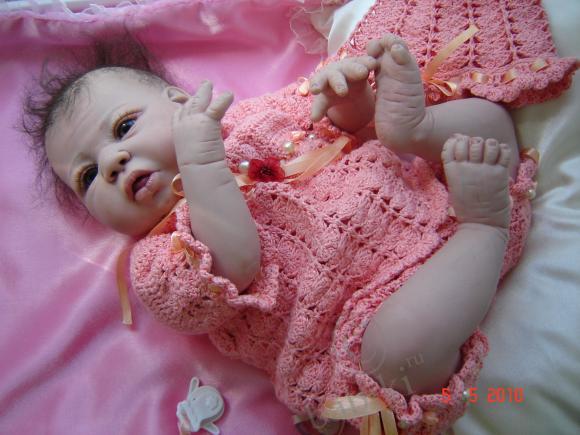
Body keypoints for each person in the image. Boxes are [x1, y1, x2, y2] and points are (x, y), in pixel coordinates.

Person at [23, 30, 538, 433]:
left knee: (486, 122)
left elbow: (338, 131)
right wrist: (201, 163)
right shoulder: (161, 264)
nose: (112, 162)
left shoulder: (258, 117)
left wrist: (351, 105)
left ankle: (415, 129)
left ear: (182, 104)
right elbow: (238, 261)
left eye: (123, 128)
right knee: (396, 357)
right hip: (368, 319)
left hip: (426, 191)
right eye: (88, 176)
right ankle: (484, 227)